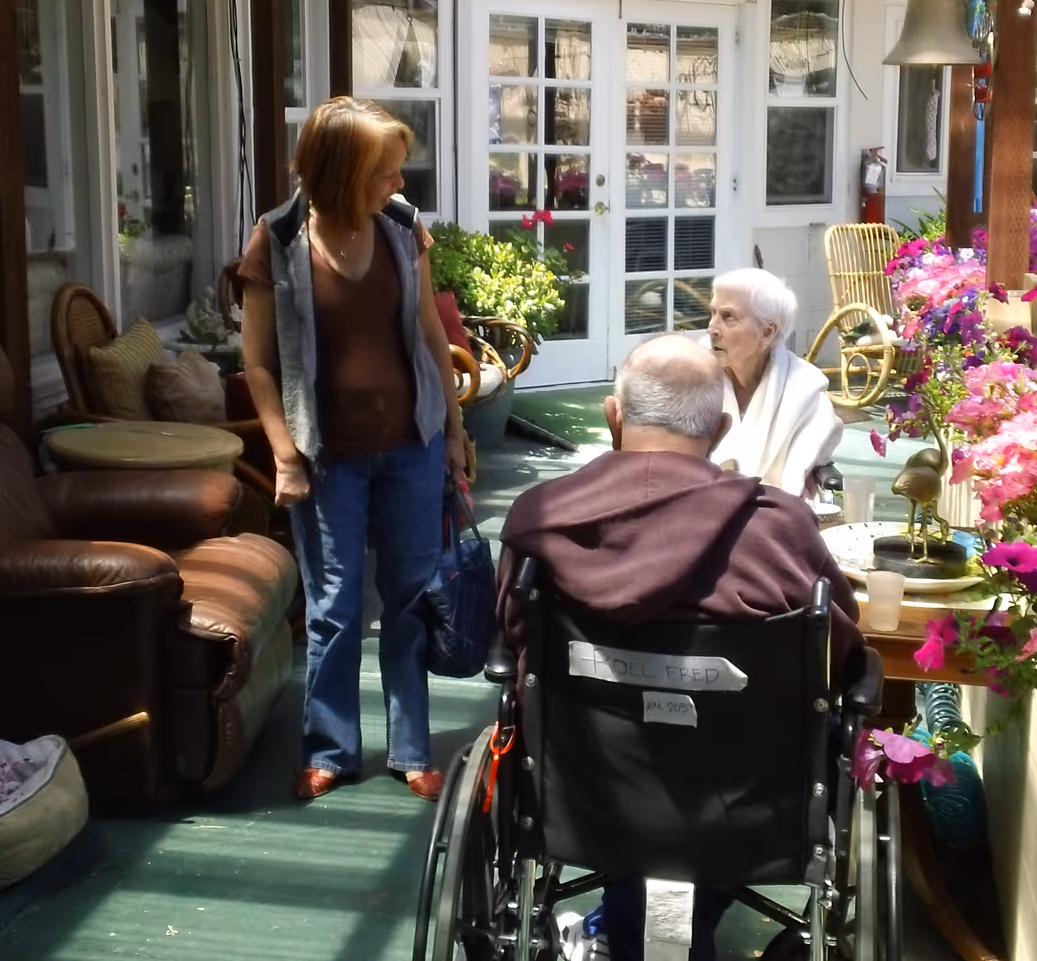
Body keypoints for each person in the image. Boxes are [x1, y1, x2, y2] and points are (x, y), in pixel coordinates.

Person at [495, 334, 866, 961]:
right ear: (719, 430)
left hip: (586, 797)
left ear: (613, 416)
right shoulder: (778, 528)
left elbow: (510, 640)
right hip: (747, 806)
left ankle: (625, 926)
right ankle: (660, 925)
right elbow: (840, 655)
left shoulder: (540, 518)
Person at [239, 97, 467, 803]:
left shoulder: (402, 228)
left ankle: (410, 748)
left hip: (412, 445)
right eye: (385, 173)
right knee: (335, 605)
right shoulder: (276, 240)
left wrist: (454, 428)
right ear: (342, 172)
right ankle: (331, 749)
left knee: (409, 598)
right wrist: (282, 454)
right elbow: (259, 363)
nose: (399, 186)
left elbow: (430, 330)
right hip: (325, 455)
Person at [703, 268, 844, 499]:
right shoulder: (693, 375)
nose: (712, 328)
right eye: (713, 313)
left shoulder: (804, 390)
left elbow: (807, 464)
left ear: (767, 333)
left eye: (728, 317)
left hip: (775, 514)